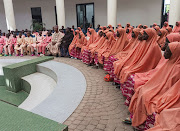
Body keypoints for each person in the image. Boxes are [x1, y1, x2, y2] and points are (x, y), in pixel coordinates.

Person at [129, 42, 180, 128]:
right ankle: (137, 118)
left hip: (165, 92)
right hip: (159, 87)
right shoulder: (169, 62)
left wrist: (155, 89)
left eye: (168, 51)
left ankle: (139, 121)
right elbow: (159, 78)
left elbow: (169, 86)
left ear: (175, 53)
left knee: (146, 95)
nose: (164, 51)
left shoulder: (177, 68)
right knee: (142, 89)